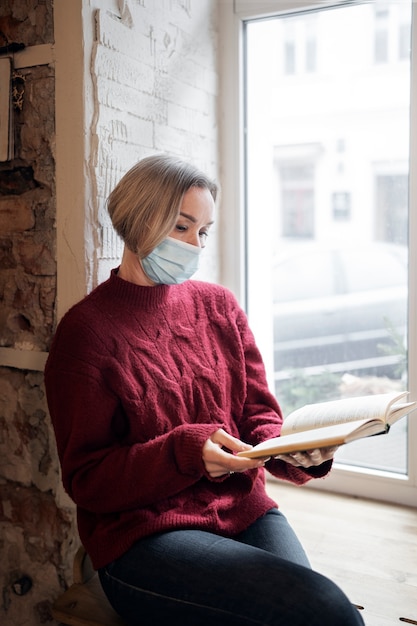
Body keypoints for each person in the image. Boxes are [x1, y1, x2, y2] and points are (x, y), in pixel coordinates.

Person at [44, 154, 364, 626]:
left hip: (243, 509)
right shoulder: (86, 334)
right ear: (137, 222)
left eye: (204, 231)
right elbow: (88, 481)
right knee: (322, 610)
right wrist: (185, 453)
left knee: (323, 609)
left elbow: (257, 415)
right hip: (142, 538)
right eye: (182, 227)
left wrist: (291, 450)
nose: (195, 244)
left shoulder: (219, 307)